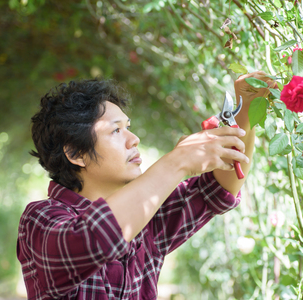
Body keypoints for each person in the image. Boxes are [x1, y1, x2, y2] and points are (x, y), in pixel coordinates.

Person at [17, 71, 273, 299]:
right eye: (116, 131)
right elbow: (94, 237)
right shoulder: (41, 220)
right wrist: (177, 162)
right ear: (76, 153)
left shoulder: (147, 218)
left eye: (128, 127)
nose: (134, 139)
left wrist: (246, 113)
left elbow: (218, 191)